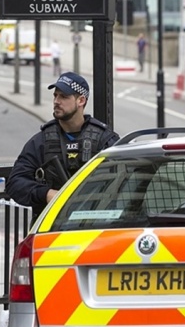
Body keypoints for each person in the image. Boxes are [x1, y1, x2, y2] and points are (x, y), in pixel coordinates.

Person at [6, 72, 120, 221]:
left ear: (81, 100)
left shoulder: (105, 140)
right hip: (51, 228)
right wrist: (47, 194)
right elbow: (15, 183)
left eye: (63, 97)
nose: (56, 101)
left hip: (96, 226)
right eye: (55, 96)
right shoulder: (41, 141)